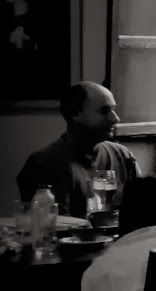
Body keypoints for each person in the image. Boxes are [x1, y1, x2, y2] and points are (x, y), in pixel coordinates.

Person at [15, 81, 140, 218]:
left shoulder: (123, 156)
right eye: (104, 111)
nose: (115, 118)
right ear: (75, 114)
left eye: (114, 109)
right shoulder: (42, 164)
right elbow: (41, 224)